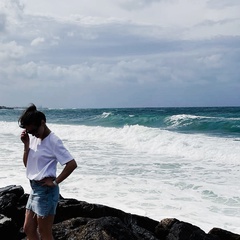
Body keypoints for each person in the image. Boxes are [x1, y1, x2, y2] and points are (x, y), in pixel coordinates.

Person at [19, 104, 77, 240]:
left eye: (34, 130)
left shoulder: (54, 141)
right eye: (29, 132)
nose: (32, 134)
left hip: (45, 192)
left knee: (45, 234)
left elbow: (72, 164)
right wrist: (26, 145)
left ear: (43, 123)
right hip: (34, 188)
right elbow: (27, 165)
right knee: (28, 229)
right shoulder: (33, 138)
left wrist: (56, 182)